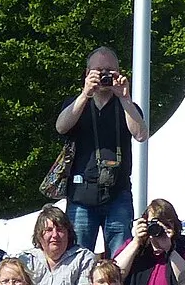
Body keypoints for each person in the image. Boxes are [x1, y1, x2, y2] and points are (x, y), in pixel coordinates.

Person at [54, 46, 149, 253]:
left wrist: (125, 98)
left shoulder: (126, 105)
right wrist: (84, 94)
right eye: (99, 71)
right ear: (87, 74)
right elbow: (61, 126)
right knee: (76, 256)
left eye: (109, 70)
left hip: (118, 194)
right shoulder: (76, 104)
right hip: (81, 194)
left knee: (121, 256)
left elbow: (141, 135)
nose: (104, 76)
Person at [22, 205, 96, 285]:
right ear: (39, 236)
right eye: (49, 230)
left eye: (60, 230)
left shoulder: (83, 258)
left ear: (68, 234)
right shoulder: (26, 259)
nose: (55, 235)